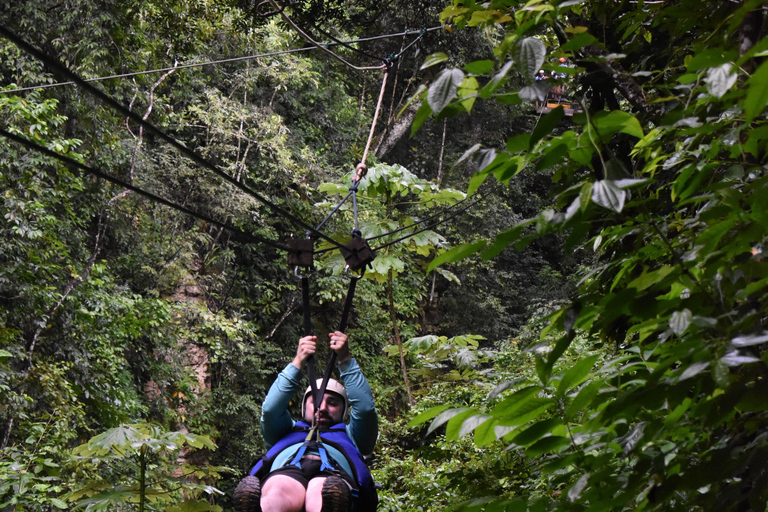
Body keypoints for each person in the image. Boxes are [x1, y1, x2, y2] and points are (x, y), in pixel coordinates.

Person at [233, 331, 378, 512]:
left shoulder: (353, 436)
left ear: (343, 411)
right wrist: (298, 361)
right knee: (277, 487)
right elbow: (271, 409)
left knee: (322, 488)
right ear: (304, 407)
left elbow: (365, 409)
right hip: (287, 471)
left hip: (334, 475)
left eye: (332, 403)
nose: (322, 407)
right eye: (315, 400)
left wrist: (346, 360)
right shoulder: (285, 431)